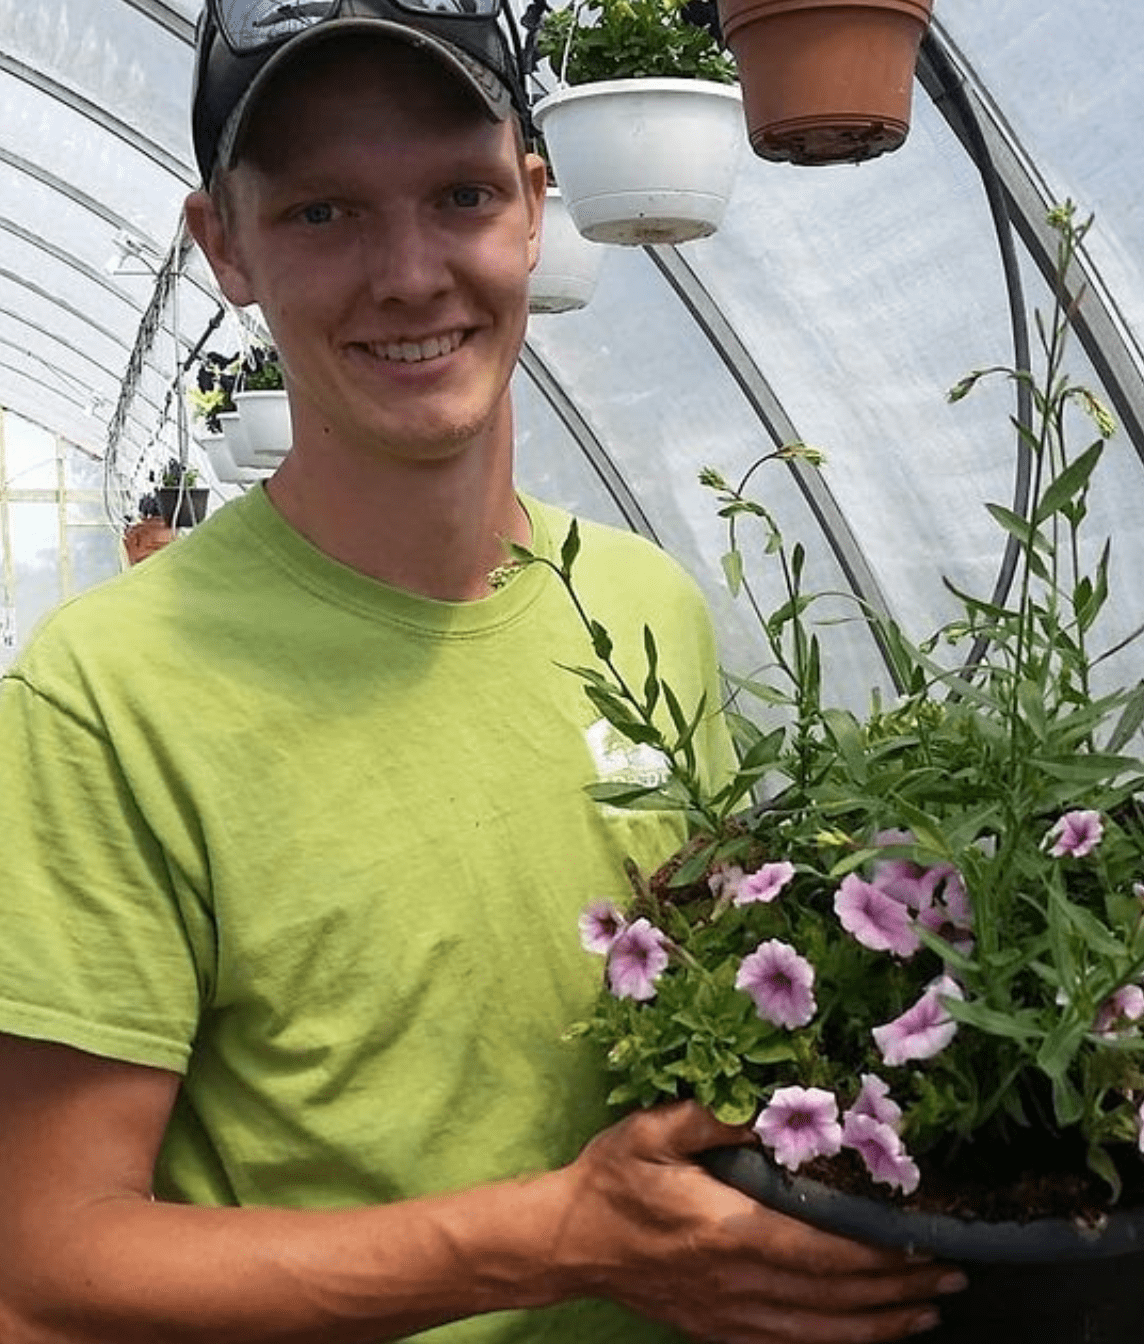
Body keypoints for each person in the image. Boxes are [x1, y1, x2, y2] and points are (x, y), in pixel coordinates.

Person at [0, 3, 961, 1340]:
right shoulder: (106, 696)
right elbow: (49, 1268)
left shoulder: (646, 606)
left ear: (533, 205)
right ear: (223, 244)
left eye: (458, 193)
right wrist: (560, 1243)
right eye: (321, 214)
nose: (407, 274)